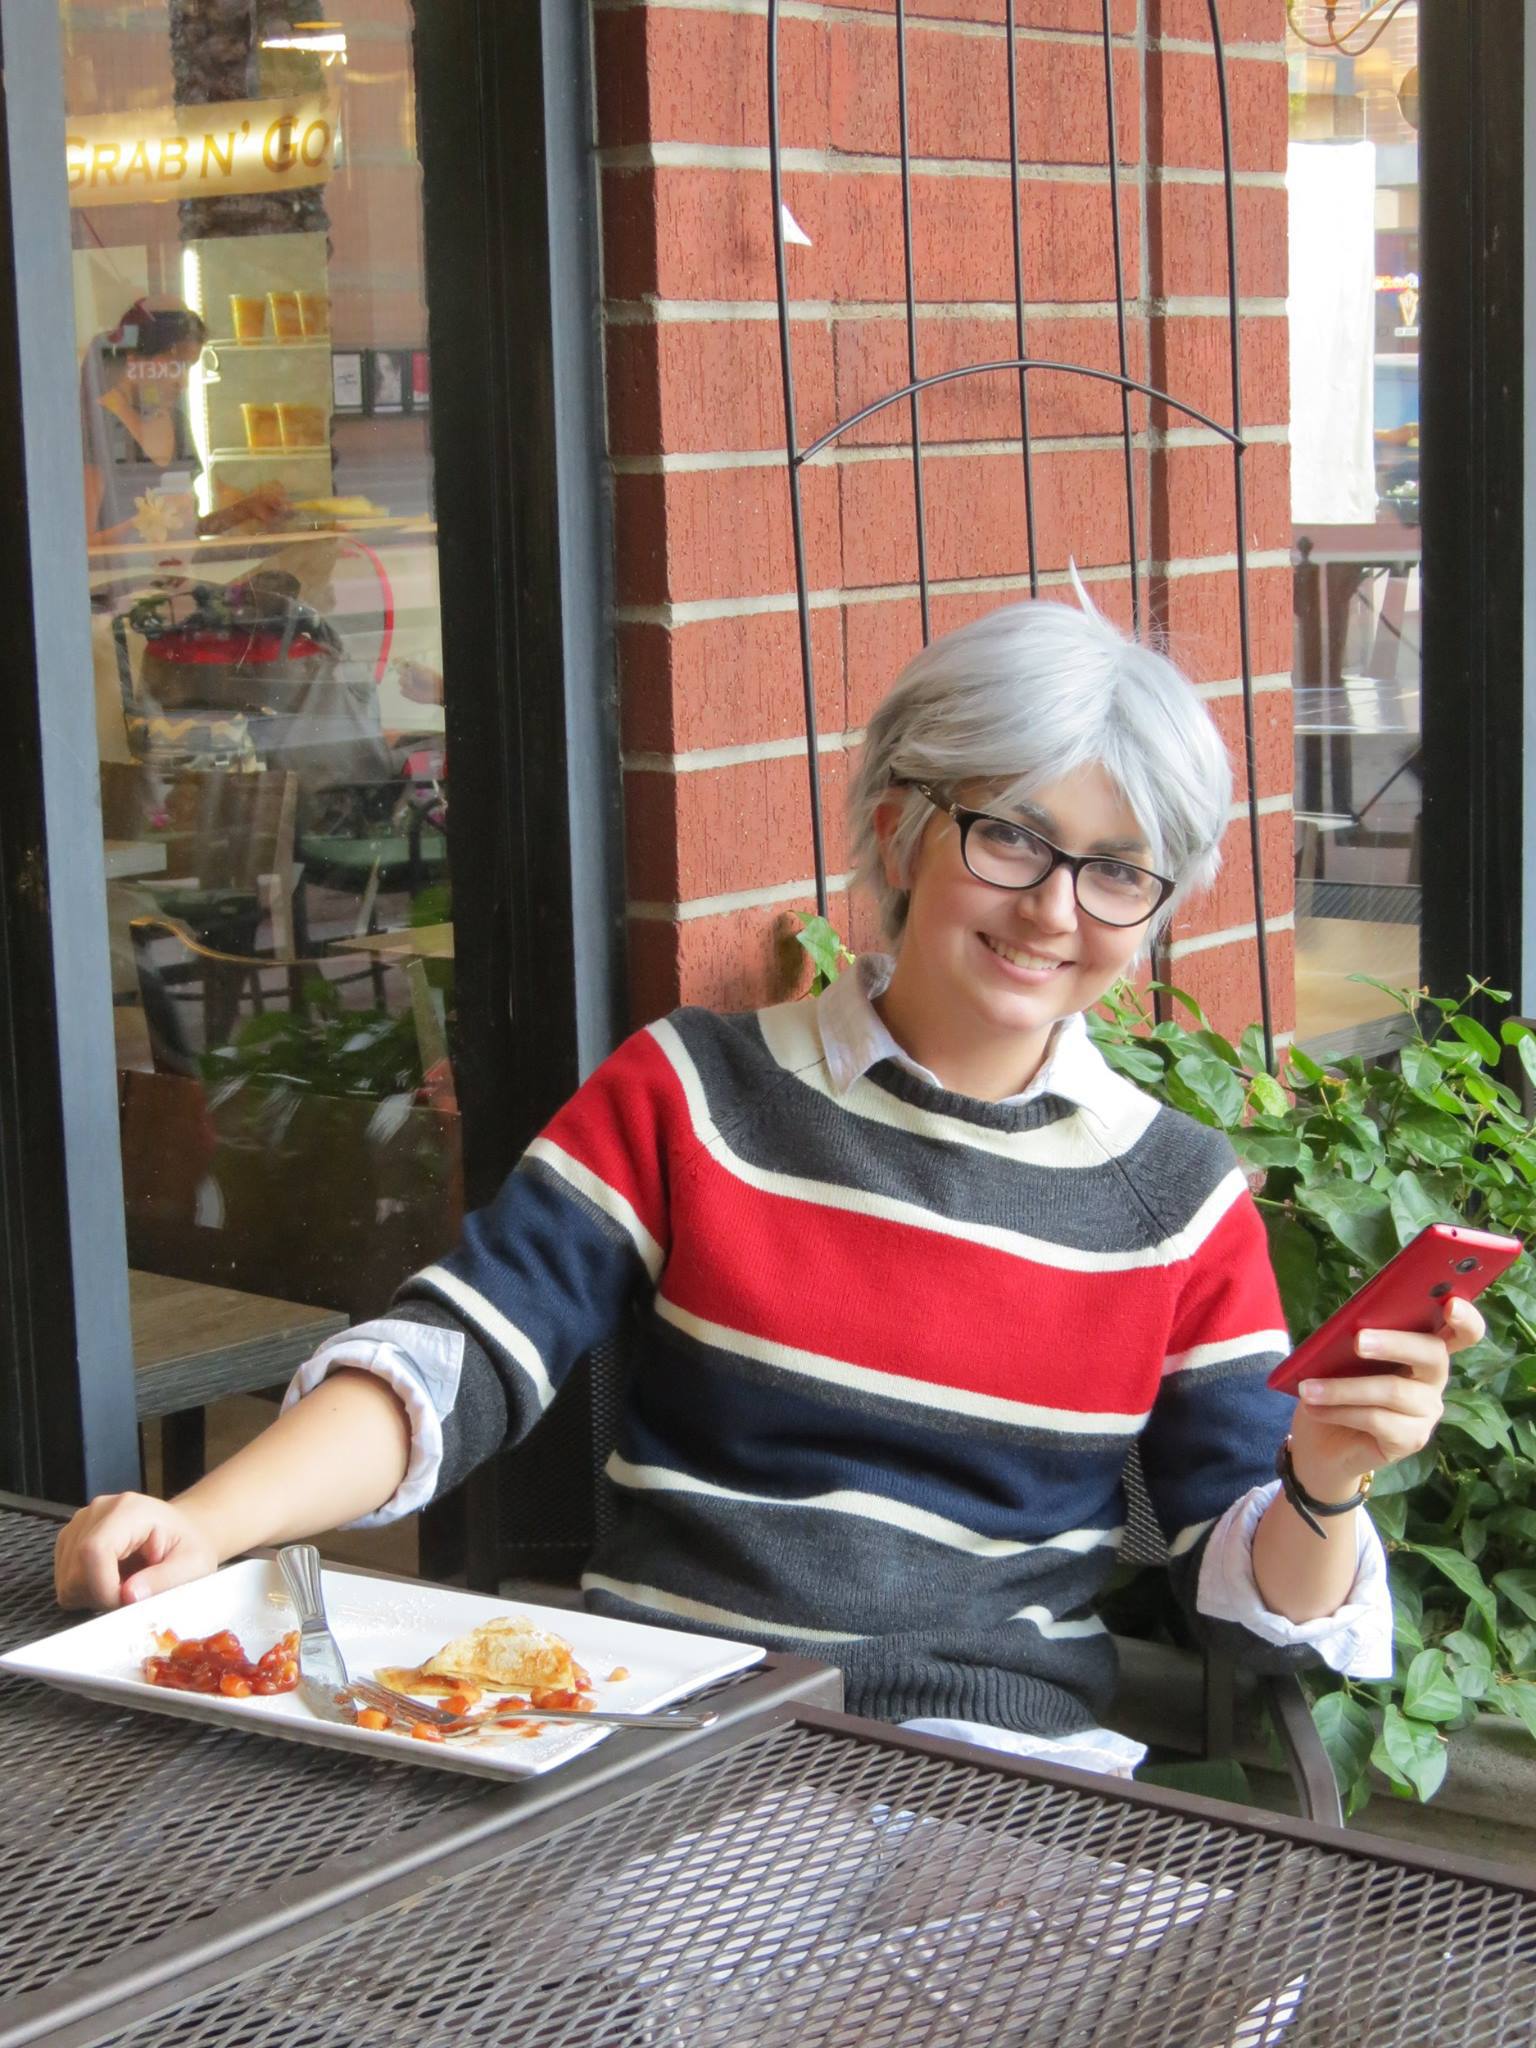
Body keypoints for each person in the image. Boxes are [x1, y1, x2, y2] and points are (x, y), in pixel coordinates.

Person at [55, 597, 1475, 1775]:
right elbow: (461, 1352)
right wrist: (208, 1524)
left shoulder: (1174, 1197)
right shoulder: (697, 1091)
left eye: (1119, 872)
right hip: (672, 1745)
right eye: (1011, 836)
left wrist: (1326, 1482)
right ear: (900, 825)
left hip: (994, 1784)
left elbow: (1255, 1600)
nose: (1056, 909)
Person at [79, 297, 287, 547]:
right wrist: (146, 521)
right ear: (135, 361)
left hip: (175, 571)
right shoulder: (97, 425)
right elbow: (82, 547)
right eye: (175, 365)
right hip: (127, 572)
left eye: (188, 367)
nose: (183, 382)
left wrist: (243, 511)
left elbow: (185, 530)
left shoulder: (176, 421)